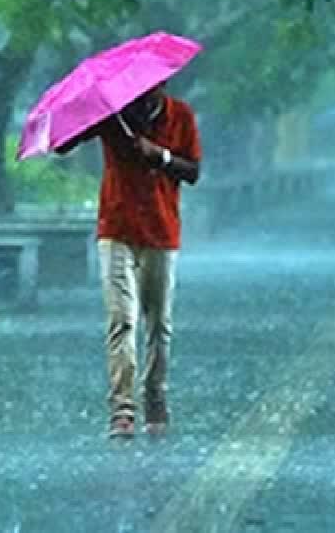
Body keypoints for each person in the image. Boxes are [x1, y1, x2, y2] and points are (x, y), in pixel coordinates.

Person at [57, 81, 201, 439]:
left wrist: (161, 156)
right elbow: (63, 145)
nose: (142, 95)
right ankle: (122, 409)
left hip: (162, 231)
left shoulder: (180, 115)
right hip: (117, 228)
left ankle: (155, 397)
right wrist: (83, 115)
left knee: (159, 324)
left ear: (163, 86)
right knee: (121, 319)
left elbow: (193, 172)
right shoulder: (112, 115)